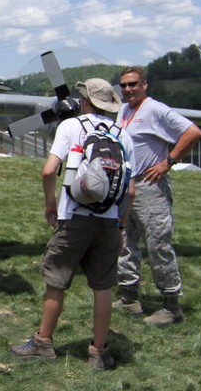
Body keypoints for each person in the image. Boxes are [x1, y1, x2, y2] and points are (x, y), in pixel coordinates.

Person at [11, 78, 135, 371]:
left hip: (73, 219)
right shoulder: (123, 135)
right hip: (108, 221)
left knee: (56, 281)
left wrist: (50, 203)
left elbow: (49, 170)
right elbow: (130, 190)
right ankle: (98, 353)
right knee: (103, 286)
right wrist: (119, 225)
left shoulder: (71, 127)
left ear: (84, 101)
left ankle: (43, 343)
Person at [114, 66, 201, 326]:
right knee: (124, 242)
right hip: (126, 187)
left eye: (133, 84)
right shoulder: (124, 110)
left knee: (157, 245)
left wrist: (169, 161)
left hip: (150, 186)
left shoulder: (155, 110)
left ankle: (171, 306)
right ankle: (129, 296)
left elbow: (193, 132)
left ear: (144, 85)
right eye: (124, 85)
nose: (128, 89)